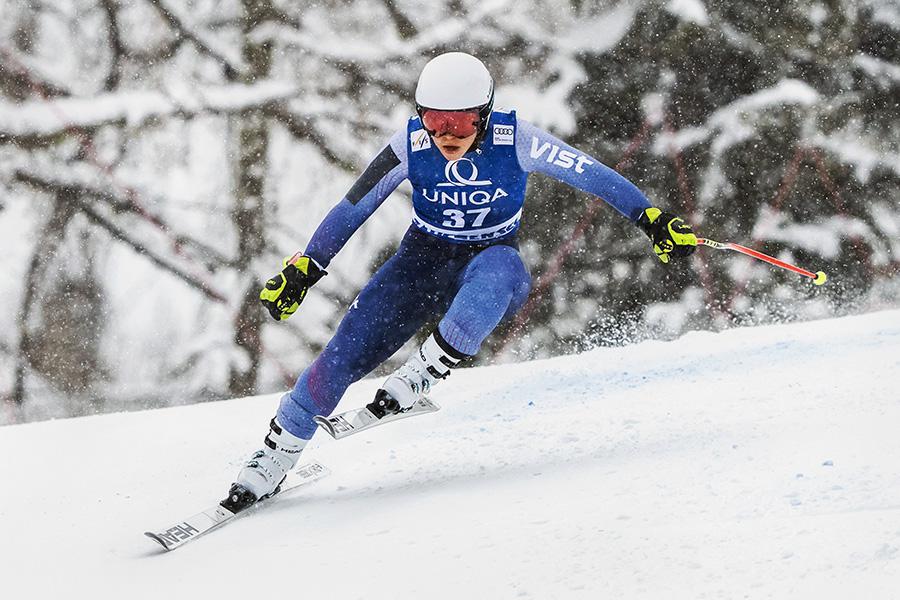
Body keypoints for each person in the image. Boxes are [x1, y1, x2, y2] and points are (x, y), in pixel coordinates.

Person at [223, 52, 697, 509]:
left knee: (502, 271)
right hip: (420, 264)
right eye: (434, 120)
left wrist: (650, 218)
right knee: (340, 358)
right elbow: (355, 204)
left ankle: (424, 371)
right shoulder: (410, 144)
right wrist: (307, 267)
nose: (446, 135)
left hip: (488, 262)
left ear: (484, 115)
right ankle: (276, 454)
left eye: (461, 122)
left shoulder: (517, 139)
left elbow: (591, 175)